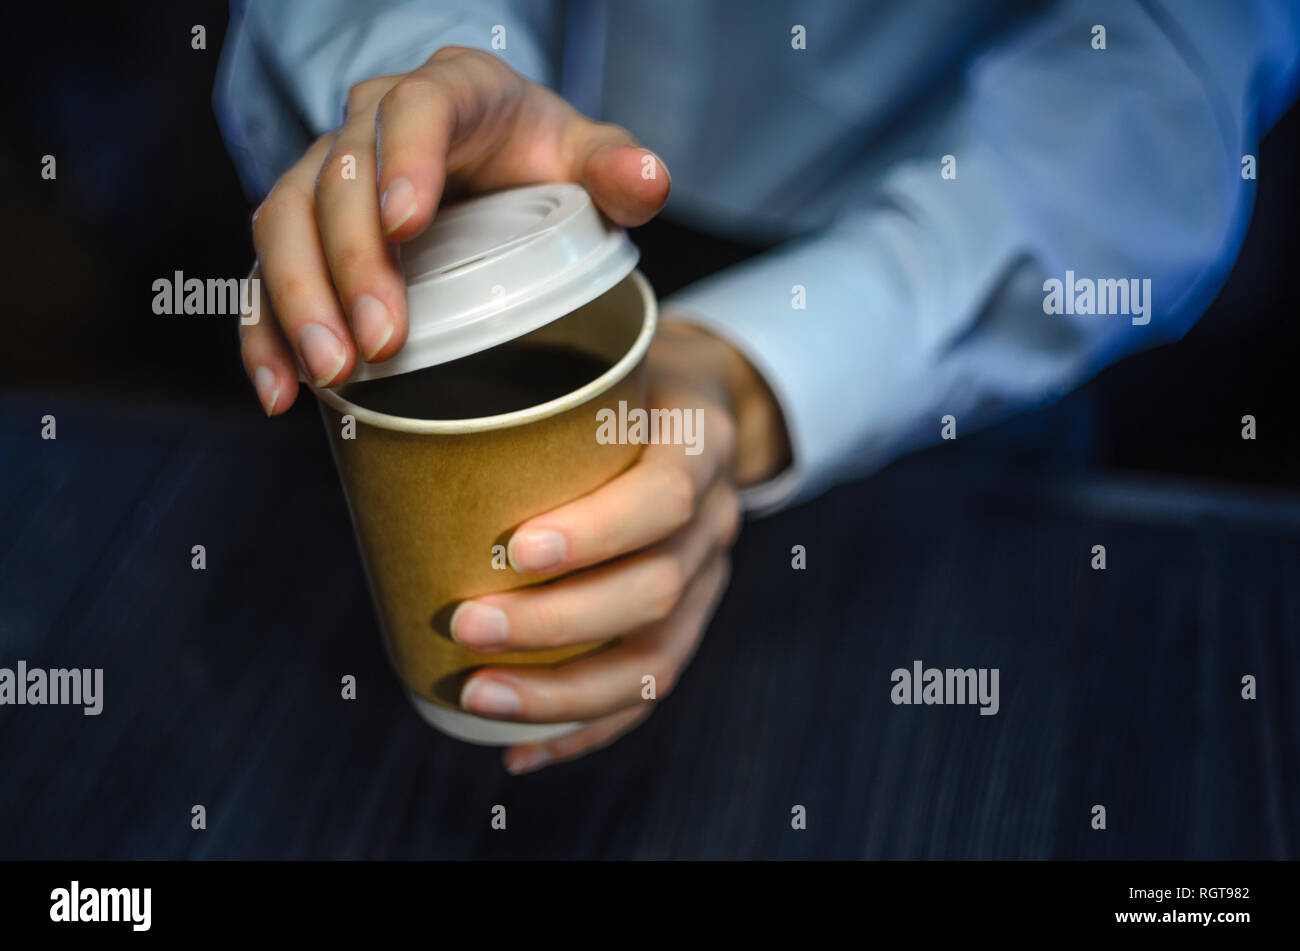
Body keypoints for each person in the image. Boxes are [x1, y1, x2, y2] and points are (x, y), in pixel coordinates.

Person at [215, 0, 1300, 773]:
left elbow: (1163, 72)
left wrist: (749, 378)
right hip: (488, 218)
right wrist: (418, 79)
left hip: (945, 303)